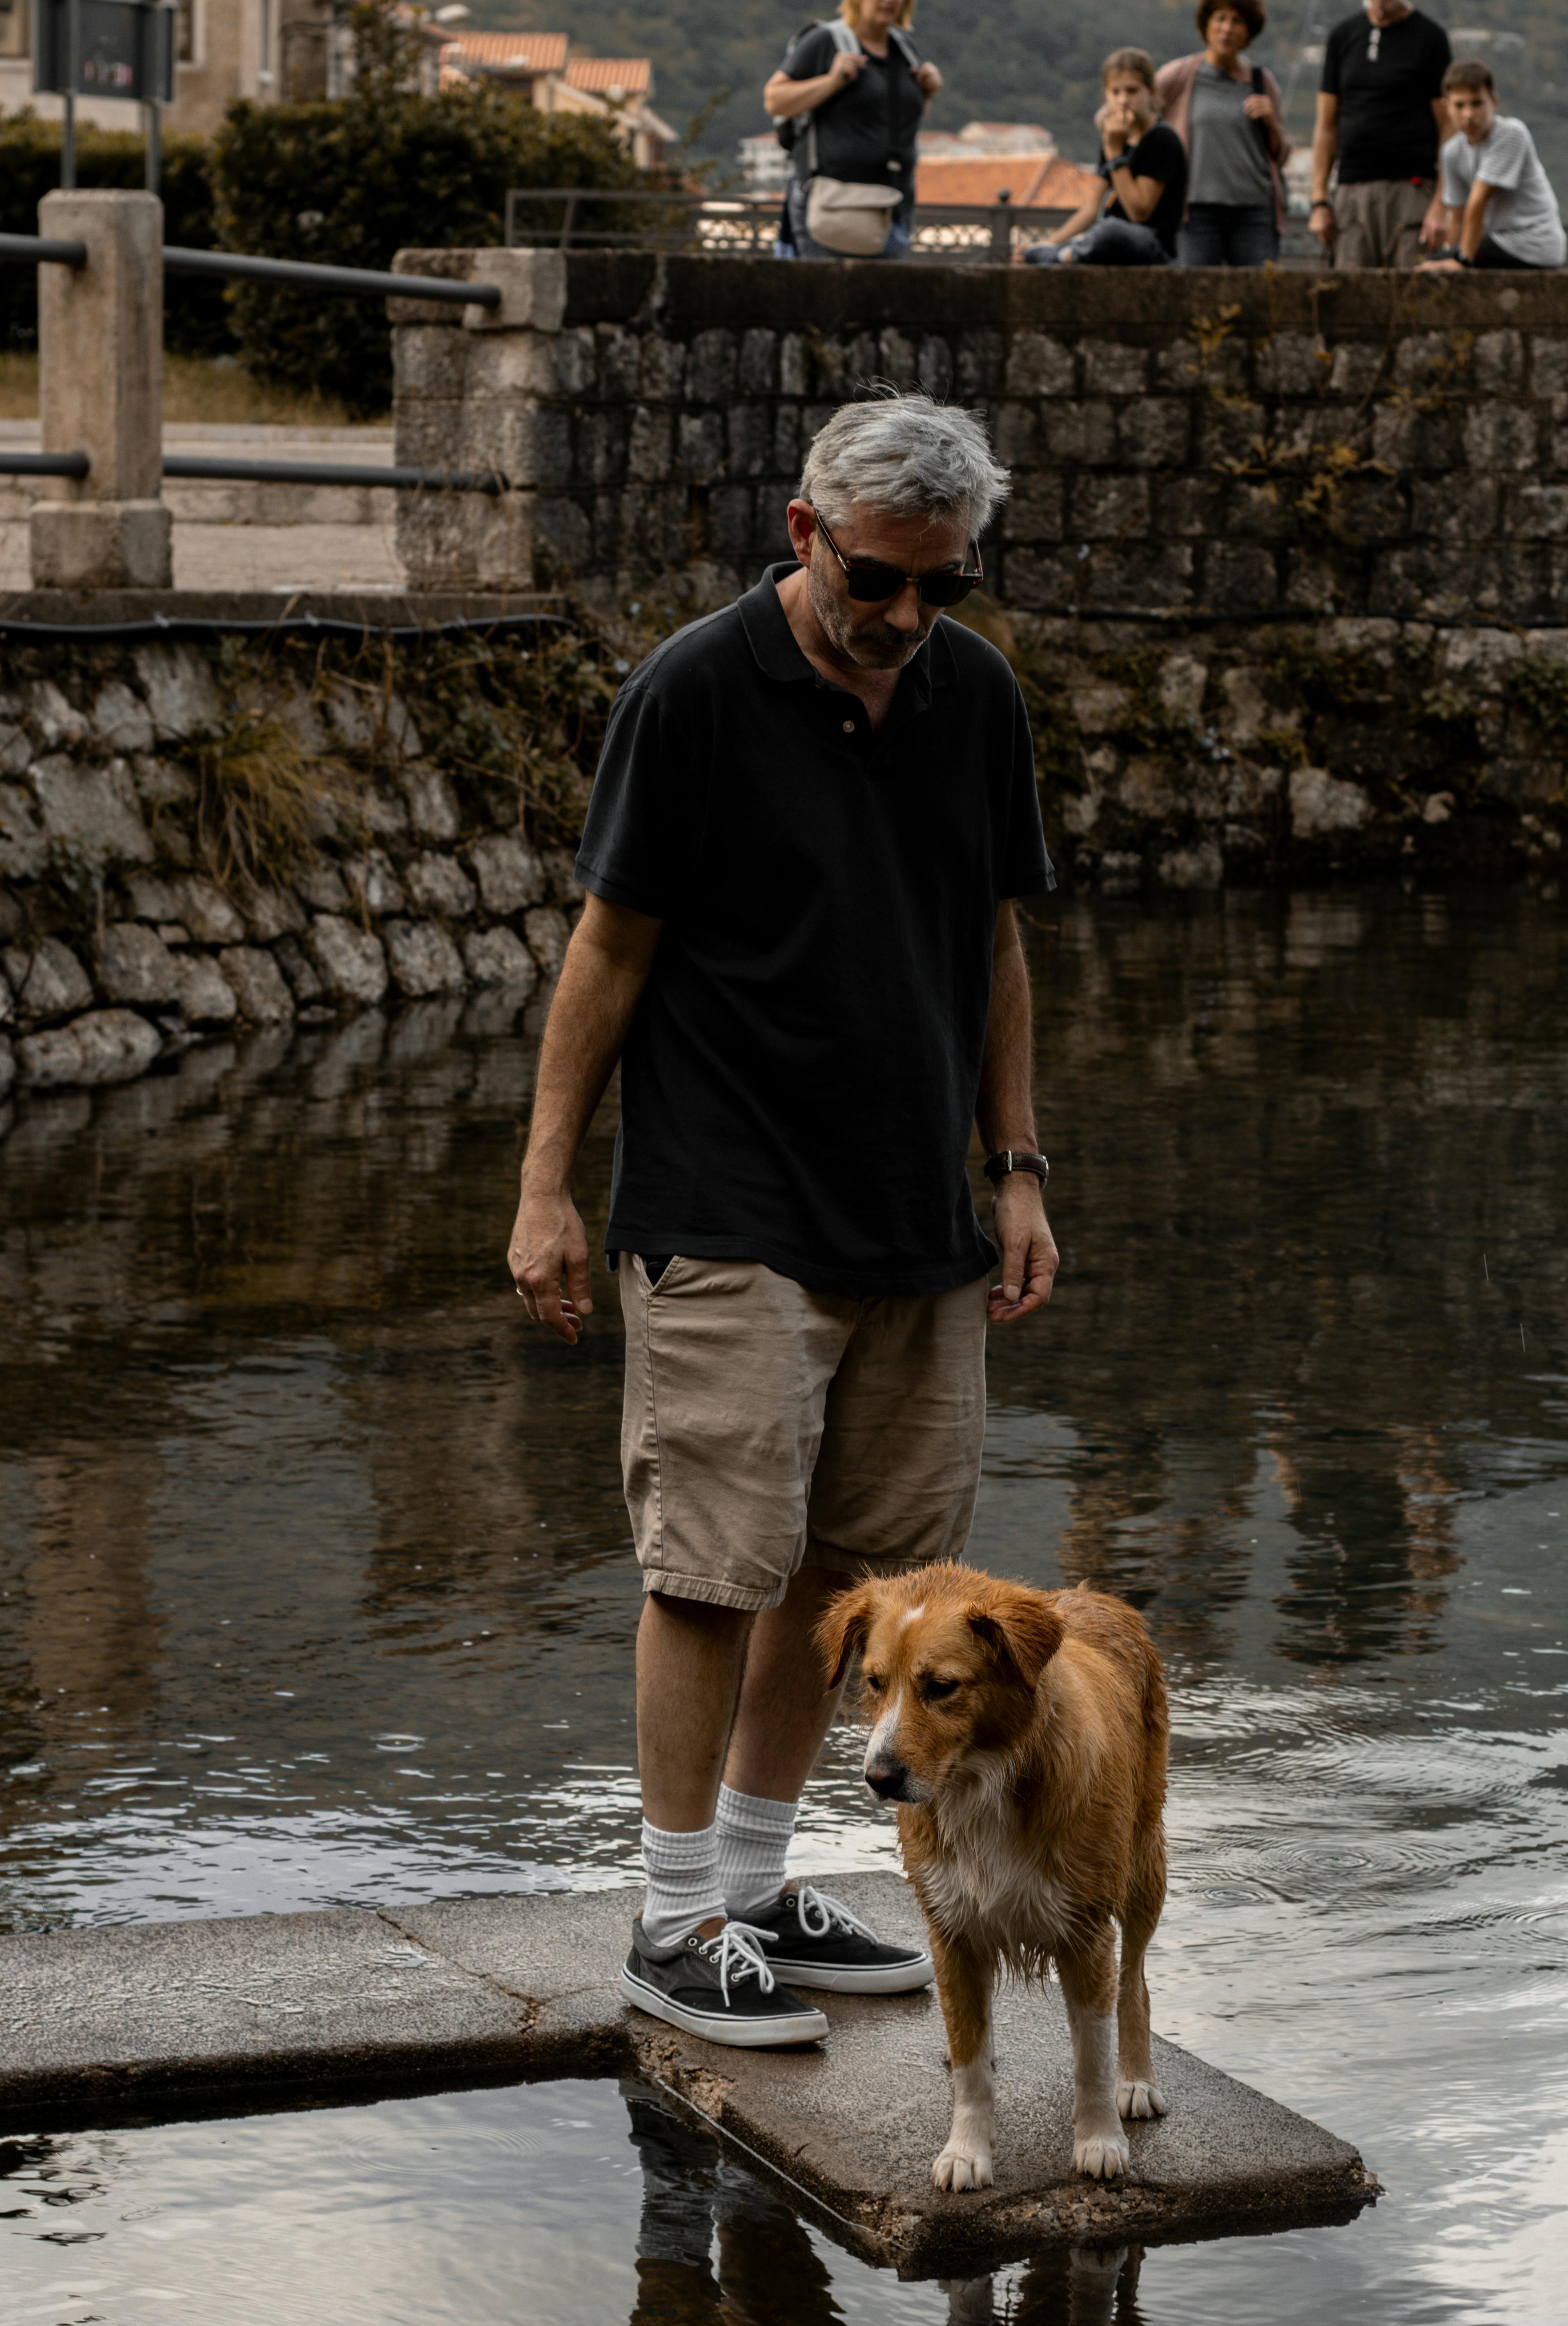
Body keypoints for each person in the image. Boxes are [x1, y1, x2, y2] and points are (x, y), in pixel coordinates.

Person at [506, 393, 1059, 2049]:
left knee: (849, 1579)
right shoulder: (689, 689)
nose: (904, 620)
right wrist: (543, 1182)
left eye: (939, 588)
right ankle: (671, 1915)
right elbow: (607, 951)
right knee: (709, 1569)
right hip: (725, 1197)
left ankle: (751, 1886)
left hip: (911, 1214)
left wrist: (1017, 1165)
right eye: (878, 582)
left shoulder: (973, 698)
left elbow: (993, 949)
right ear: (806, 535)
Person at [762, 0, 942, 260]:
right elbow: (774, 99)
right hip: (832, 207)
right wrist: (831, 82)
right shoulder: (825, 41)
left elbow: (900, 122)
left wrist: (927, 93)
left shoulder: (906, 50)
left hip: (892, 207)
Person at [1310, 0, 1454, 269]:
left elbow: (1448, 128)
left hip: (1413, 191)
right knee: (1351, 300)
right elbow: (1326, 125)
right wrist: (1319, 201)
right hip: (1352, 192)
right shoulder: (1342, 37)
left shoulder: (1430, 38)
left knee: (1411, 300)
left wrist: (1441, 205)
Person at [1156, 0, 1289, 267]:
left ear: (1249, 32)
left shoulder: (1261, 81)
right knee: (1196, 299)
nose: (1227, 29)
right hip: (1195, 212)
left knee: (1259, 301)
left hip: (1254, 213)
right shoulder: (1179, 76)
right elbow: (1131, 108)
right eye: (1221, 18)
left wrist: (1270, 122)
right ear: (1206, 24)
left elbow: (1280, 155)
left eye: (1238, 21)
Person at [1021, 49, 1186, 266]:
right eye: (1115, 93)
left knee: (1111, 231)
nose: (1123, 101)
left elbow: (1140, 213)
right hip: (1107, 238)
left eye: (1132, 91)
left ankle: (1064, 255)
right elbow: (1091, 209)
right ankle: (1058, 254)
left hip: (1151, 243)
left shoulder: (1162, 139)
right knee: (1101, 231)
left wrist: (1116, 153)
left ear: (1151, 91)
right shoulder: (1114, 138)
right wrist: (1048, 244)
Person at [1418, 60, 1566, 273]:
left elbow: (1478, 201)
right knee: (1429, 265)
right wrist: (1449, 253)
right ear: (1446, 107)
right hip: (1493, 242)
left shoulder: (1512, 134)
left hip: (1533, 245)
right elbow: (1457, 216)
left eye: (1477, 104)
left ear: (1494, 102)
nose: (1468, 114)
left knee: (1461, 257)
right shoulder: (1451, 152)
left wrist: (1462, 261)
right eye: (1460, 106)